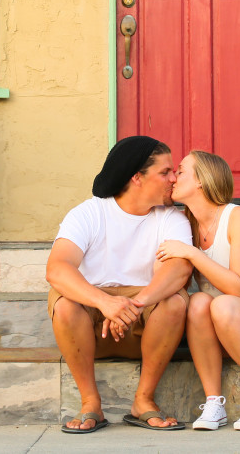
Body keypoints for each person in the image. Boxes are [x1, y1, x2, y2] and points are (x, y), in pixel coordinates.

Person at [46, 135, 193, 434]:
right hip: (92, 329)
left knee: (175, 299)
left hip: (145, 327)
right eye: (165, 172)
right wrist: (105, 303)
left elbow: (179, 269)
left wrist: (134, 305)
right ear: (137, 177)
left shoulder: (172, 218)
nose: (174, 179)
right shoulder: (89, 213)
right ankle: (90, 403)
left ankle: (143, 400)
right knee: (64, 301)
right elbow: (57, 268)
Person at [156, 150, 240, 431]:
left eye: (180, 171)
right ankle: (214, 404)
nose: (173, 178)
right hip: (218, 327)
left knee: (222, 303)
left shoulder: (237, 216)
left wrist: (192, 254)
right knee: (198, 302)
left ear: (201, 181)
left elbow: (238, 287)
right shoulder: (187, 225)